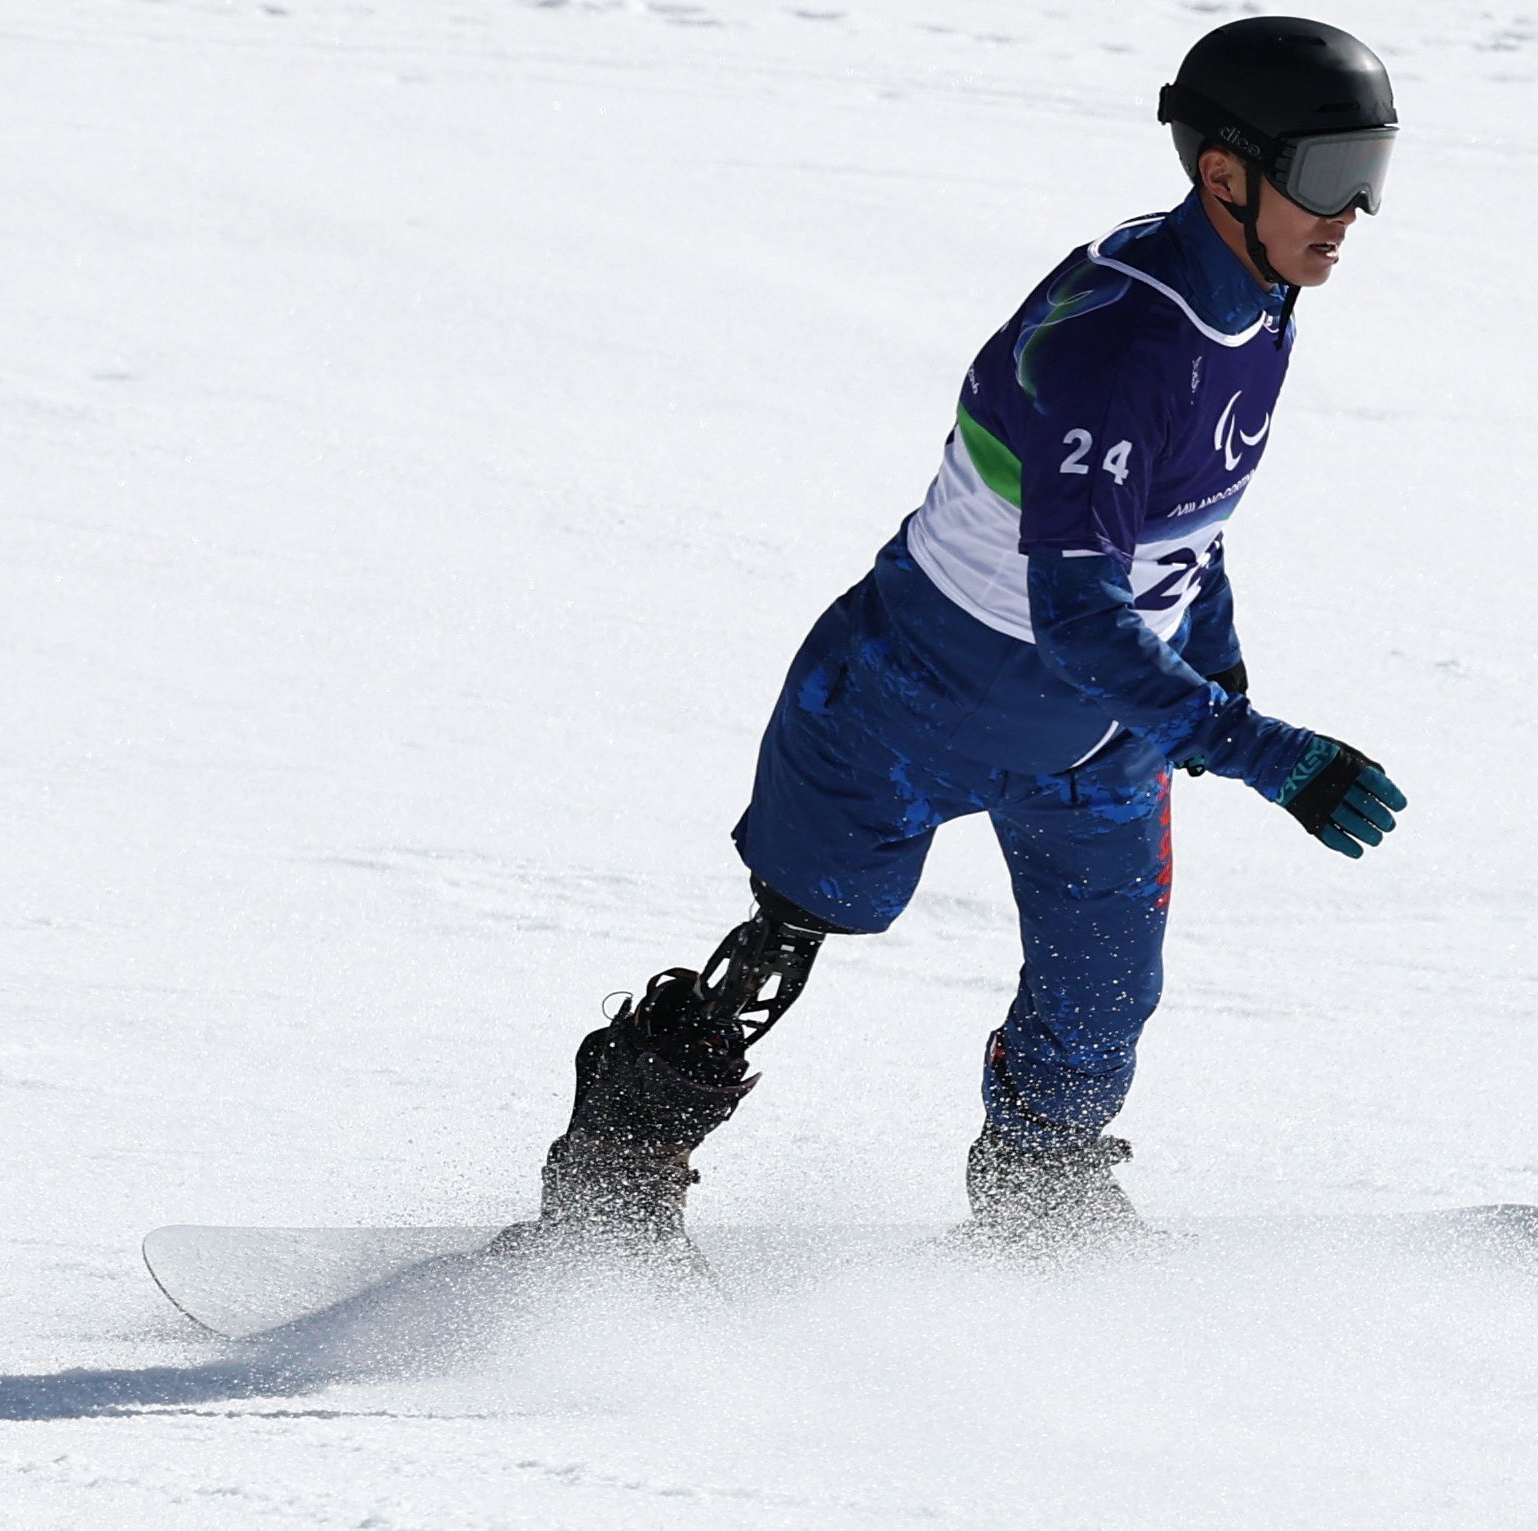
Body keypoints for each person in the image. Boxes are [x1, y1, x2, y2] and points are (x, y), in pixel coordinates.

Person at [505, 16, 1409, 1256]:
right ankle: (608, 1193)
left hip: (1100, 738)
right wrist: (1266, 748)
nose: (1352, 210)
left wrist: (1217, 659)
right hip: (913, 701)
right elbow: (1080, 614)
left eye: (1374, 167)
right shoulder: (1123, 340)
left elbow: (1185, 527)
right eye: (1326, 172)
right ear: (1224, 175)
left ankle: (1039, 1192)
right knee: (793, 933)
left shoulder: (1259, 300)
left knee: (1105, 992)